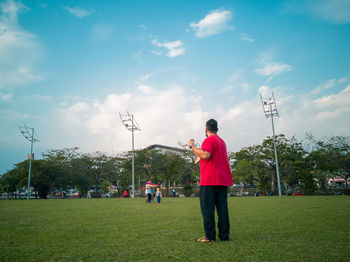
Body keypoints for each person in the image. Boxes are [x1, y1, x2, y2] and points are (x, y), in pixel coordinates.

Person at [189, 119, 233, 242]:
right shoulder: (221, 141)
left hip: (209, 181)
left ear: (206, 129)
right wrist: (200, 157)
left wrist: (192, 146)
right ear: (217, 129)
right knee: (222, 210)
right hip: (222, 180)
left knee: (207, 210)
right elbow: (209, 156)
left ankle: (209, 236)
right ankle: (224, 235)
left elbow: (206, 155)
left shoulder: (209, 140)